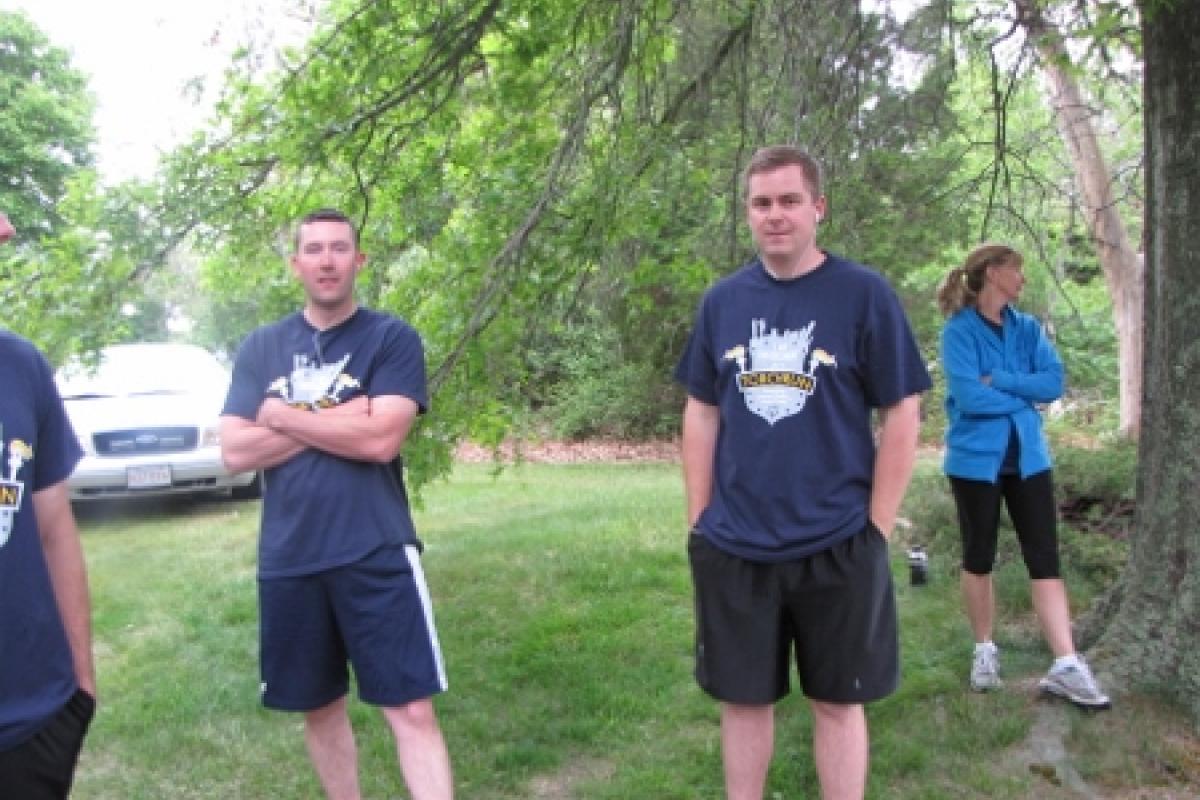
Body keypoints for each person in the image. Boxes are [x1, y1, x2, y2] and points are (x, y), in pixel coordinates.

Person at [676, 146, 930, 800]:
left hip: (838, 542)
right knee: (742, 702)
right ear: (749, 214)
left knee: (839, 704)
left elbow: (904, 410)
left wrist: (875, 525)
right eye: (761, 203)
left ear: (818, 207)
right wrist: (699, 522)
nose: (775, 215)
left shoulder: (862, 295)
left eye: (789, 201)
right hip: (736, 543)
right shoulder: (722, 301)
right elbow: (701, 412)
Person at [220, 208, 454, 799]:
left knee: (411, 712)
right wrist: (341, 415)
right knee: (319, 709)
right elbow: (234, 450)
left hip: (374, 547)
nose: (327, 261)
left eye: (340, 249)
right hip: (290, 556)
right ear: (295, 263)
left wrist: (280, 415)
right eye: (315, 249)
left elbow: (381, 440)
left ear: (359, 260)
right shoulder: (262, 346)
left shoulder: (389, 338)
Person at [937, 243, 1110, 709]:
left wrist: (1005, 381)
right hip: (975, 462)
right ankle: (984, 651)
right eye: (1017, 270)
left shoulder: (1028, 328)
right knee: (979, 555)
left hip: (1030, 459)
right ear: (994, 273)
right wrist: (1021, 396)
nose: (1023, 279)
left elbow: (1053, 383)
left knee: (1045, 557)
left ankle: (1067, 663)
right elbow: (970, 398)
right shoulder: (959, 332)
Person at [0, 210, 97, 798]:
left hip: (35, 720)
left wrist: (79, 684)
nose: (9, 228)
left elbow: (55, 528)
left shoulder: (20, 365)